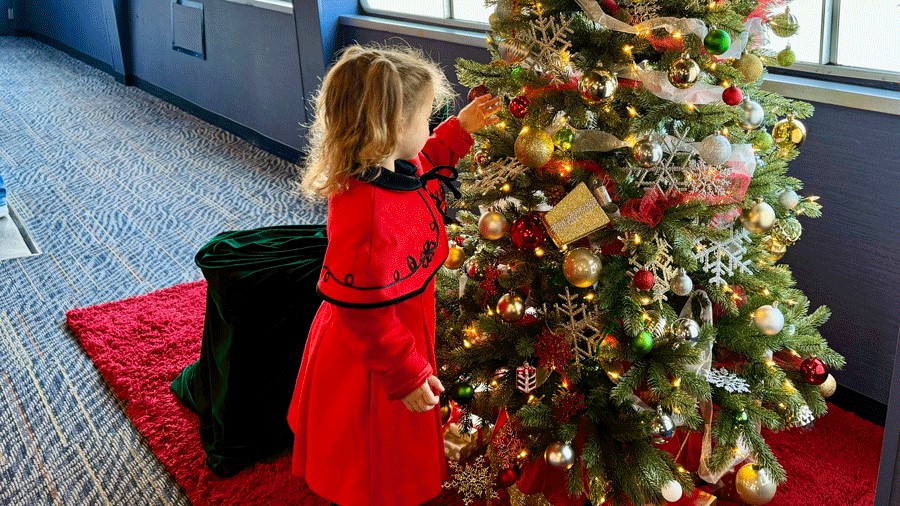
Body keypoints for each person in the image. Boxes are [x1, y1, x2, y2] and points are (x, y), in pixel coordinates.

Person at [286, 44, 500, 506]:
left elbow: (423, 162)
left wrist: (459, 129)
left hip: (400, 321)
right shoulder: (364, 217)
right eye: (426, 117)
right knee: (373, 451)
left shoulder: (390, 163)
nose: (428, 126)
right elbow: (365, 317)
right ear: (391, 129)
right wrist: (403, 373)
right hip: (372, 349)